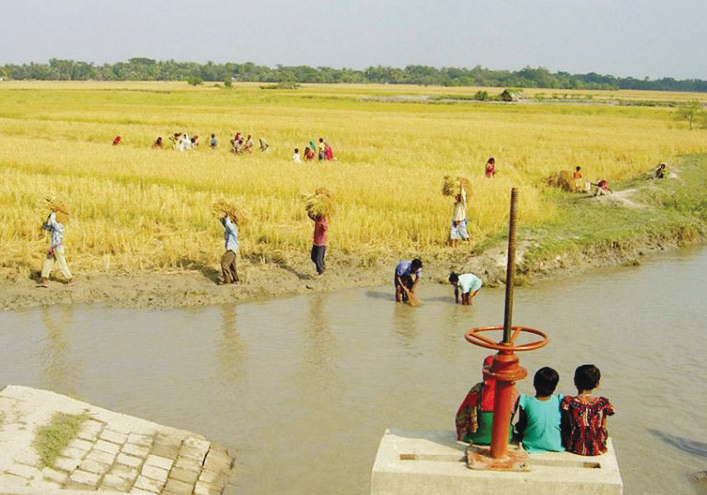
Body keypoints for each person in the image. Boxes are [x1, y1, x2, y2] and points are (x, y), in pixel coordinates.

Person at [456, 355, 518, 445]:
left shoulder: (477, 389)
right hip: (505, 439)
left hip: (478, 439)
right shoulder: (513, 391)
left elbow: (461, 416)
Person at [560, 364, 615, 456]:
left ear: (575, 381)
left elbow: (565, 424)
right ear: (597, 384)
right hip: (598, 447)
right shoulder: (602, 403)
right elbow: (605, 423)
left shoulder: (568, 402)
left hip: (574, 447)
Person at [515, 367, 564, 453]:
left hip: (531, 445)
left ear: (534, 384)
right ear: (555, 387)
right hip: (555, 445)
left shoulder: (525, 401)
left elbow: (521, 425)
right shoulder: (559, 401)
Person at [37, 209, 73, 287]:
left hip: (57, 248)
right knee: (48, 262)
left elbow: (53, 222)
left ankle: (70, 278)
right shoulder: (54, 227)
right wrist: (44, 224)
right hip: (54, 248)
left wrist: (52, 213)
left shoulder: (59, 226)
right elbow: (47, 227)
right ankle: (44, 278)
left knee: (62, 263)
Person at [219, 213, 239, 284]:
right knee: (232, 266)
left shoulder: (233, 227)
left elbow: (228, 224)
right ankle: (236, 279)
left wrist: (227, 216)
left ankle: (227, 280)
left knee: (224, 263)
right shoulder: (230, 230)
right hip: (232, 251)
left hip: (231, 250)